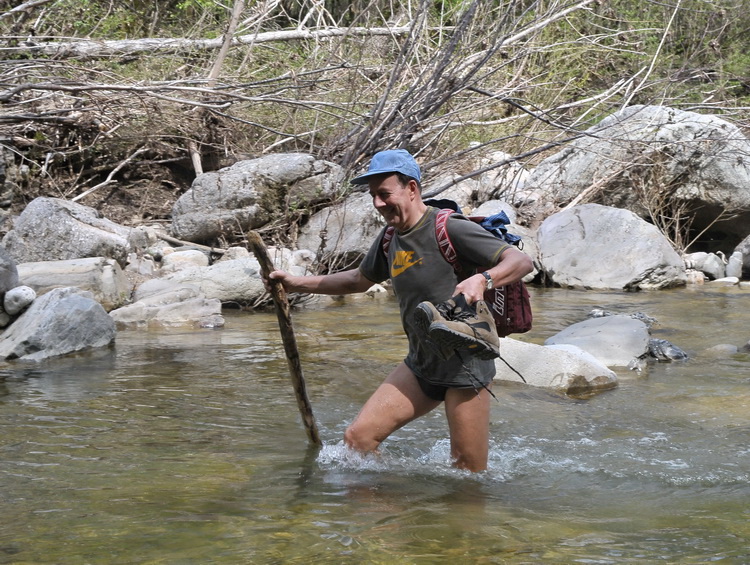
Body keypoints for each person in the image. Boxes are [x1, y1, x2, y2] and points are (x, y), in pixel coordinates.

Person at [267, 149, 533, 472]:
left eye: (384, 194)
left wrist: (483, 279)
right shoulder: (390, 237)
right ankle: (398, 511)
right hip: (421, 362)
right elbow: (358, 280)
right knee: (357, 442)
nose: (378, 203)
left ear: (411, 189)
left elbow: (520, 262)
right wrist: (296, 283)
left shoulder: (449, 228)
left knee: (468, 475)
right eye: (373, 196)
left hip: (465, 367)